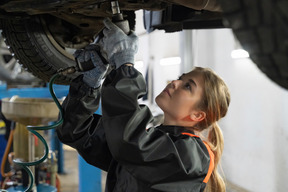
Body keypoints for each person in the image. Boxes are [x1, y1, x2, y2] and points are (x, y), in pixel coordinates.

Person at [56, 18, 230, 192]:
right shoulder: (150, 140)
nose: (175, 83)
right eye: (180, 78)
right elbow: (76, 133)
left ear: (197, 115)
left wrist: (125, 65)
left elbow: (131, 142)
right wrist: (91, 82)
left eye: (187, 86)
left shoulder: (193, 158)